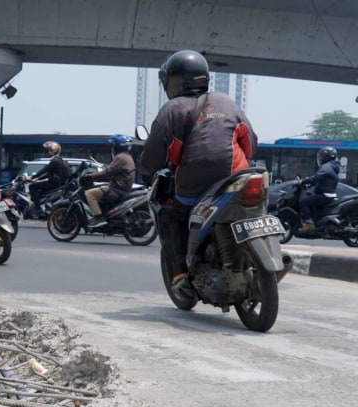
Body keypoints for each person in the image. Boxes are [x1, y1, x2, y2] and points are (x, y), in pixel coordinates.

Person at [139, 49, 257, 292]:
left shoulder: (172, 110)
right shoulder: (227, 101)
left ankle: (180, 275)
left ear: (174, 81)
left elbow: (152, 159)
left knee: (171, 215)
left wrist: (147, 168)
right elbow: (251, 143)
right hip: (239, 178)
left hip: (196, 185)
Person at [84, 135, 135, 227]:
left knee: (89, 193)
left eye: (114, 145)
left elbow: (107, 172)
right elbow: (113, 173)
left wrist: (91, 176)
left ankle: (98, 218)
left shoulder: (120, 157)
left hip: (117, 188)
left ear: (118, 146)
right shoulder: (128, 156)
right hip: (123, 187)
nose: (112, 147)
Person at [299, 147, 340, 231]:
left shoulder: (327, 167)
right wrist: (311, 184)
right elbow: (320, 179)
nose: (320, 158)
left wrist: (304, 181)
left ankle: (309, 224)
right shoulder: (332, 166)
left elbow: (316, 177)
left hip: (325, 195)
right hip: (328, 194)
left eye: (322, 156)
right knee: (310, 198)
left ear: (327, 157)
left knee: (303, 202)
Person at [25, 141, 68, 209]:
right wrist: (37, 178)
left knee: (32, 186)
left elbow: (44, 170)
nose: (45, 152)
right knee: (38, 188)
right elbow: (48, 173)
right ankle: (43, 205)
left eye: (47, 150)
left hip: (53, 183)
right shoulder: (58, 159)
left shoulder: (55, 160)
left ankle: (37, 207)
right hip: (55, 182)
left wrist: (32, 177)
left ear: (52, 150)